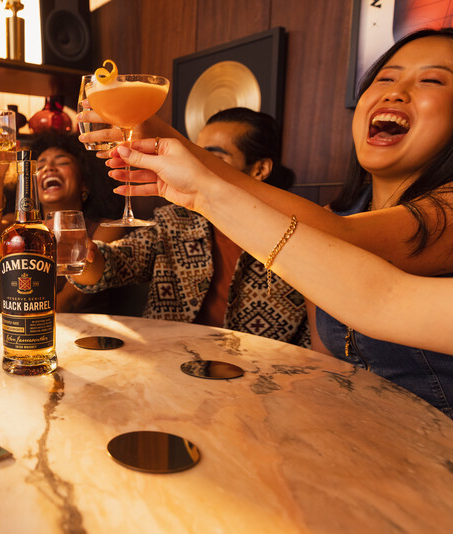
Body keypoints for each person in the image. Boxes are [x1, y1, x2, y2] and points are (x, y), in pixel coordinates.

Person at [90, 28, 453, 417]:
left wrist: (192, 169)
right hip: (334, 421)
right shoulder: (335, 213)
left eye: (431, 79)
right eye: (384, 77)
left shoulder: (353, 224)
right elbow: (326, 357)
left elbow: (352, 260)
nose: (395, 91)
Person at [69, 108, 308, 346]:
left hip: (259, 373)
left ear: (260, 170)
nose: (196, 167)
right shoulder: (176, 222)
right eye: (195, 156)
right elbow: (113, 264)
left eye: (213, 158)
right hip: (169, 361)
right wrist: (84, 254)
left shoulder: (296, 239)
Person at [0, 130, 127, 312]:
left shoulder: (105, 228)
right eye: (39, 167)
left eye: (62, 162)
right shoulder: (22, 229)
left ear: (84, 182)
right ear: (29, 184)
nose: (49, 168)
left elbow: (71, 300)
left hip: (86, 333)